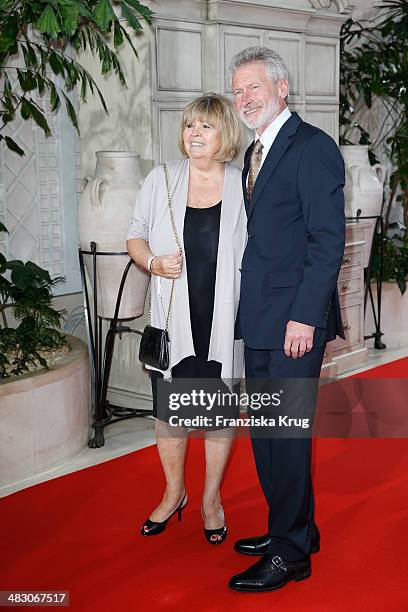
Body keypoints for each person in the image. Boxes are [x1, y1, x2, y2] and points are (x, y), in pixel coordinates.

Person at [228, 47, 346, 591]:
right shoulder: (254, 151)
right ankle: (293, 529)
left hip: (294, 321)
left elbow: (327, 242)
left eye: (252, 88)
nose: (243, 99)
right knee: (267, 434)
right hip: (258, 316)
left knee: (285, 434)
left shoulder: (313, 148)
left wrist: (305, 317)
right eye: (237, 91)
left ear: (282, 88)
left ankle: (291, 554)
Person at [126, 93, 246, 545]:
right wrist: (154, 263)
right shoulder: (160, 179)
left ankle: (211, 500)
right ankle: (174, 492)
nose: (194, 134)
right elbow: (134, 233)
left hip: (222, 321)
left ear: (224, 135)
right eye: (189, 126)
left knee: (217, 413)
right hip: (173, 321)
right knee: (170, 413)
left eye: (205, 127)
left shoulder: (243, 183)